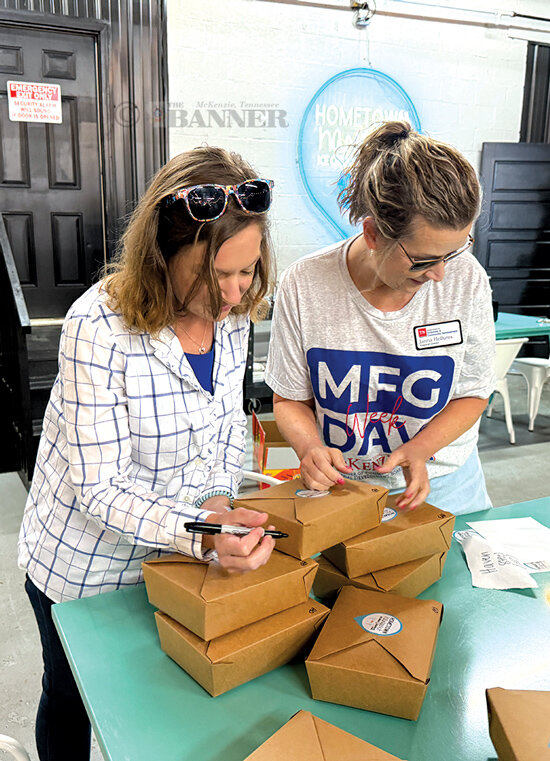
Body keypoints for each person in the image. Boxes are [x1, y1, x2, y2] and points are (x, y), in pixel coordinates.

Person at [18, 146, 277, 761]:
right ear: (161, 254)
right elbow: (100, 488)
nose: (236, 294)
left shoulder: (231, 316)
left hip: (176, 556)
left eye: (249, 272)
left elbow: (223, 434)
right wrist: (205, 534)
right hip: (84, 570)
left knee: (151, 705)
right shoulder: (98, 327)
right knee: (74, 699)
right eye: (218, 275)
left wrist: (220, 503)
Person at [265, 121, 496, 515]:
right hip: (345, 488)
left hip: (445, 483)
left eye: (454, 252)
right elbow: (289, 398)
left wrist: (420, 450)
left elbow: (473, 392)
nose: (439, 273)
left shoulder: (466, 279)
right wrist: (311, 449)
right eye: (422, 260)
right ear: (373, 234)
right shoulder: (304, 284)